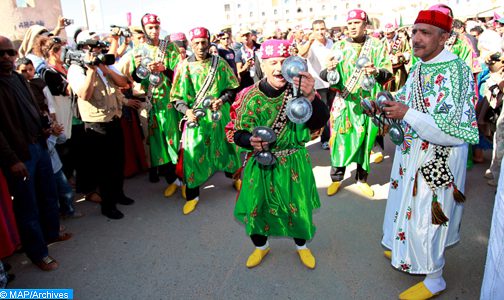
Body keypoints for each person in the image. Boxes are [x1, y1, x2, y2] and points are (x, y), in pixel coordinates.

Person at [380, 9, 479, 299]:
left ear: (444, 38)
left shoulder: (457, 70)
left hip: (439, 157)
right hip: (412, 152)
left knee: (430, 215)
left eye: (425, 32)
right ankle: (406, 248)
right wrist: (385, 102)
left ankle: (434, 277)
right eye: (414, 32)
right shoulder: (420, 65)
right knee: (406, 207)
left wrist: (406, 112)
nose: (416, 38)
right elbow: (410, 98)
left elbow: (452, 130)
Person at [232, 39, 329, 269]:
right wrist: (250, 140)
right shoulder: (248, 95)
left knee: (298, 207)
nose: (278, 68)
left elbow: (320, 120)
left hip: (295, 161)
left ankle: (302, 247)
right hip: (261, 163)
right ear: (262, 65)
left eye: (283, 62)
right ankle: (261, 247)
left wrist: (310, 96)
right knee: (258, 208)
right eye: (272, 62)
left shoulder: (300, 90)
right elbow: (236, 132)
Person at [0, 35, 72, 271]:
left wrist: (46, 125)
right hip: (20, 155)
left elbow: (34, 108)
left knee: (48, 193)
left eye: (10, 52)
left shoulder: (19, 79)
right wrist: (12, 159)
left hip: (40, 145)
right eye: (1, 53)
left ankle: (52, 233)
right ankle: (38, 253)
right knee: (27, 206)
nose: (6, 57)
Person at [320, 8, 392, 197]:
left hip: (368, 104)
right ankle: (336, 178)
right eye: (349, 23)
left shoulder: (376, 46)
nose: (352, 27)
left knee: (365, 141)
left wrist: (376, 71)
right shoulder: (339, 47)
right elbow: (326, 76)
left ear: (365, 25)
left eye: (356, 23)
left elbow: (388, 72)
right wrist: (329, 70)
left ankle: (362, 179)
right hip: (345, 103)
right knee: (339, 141)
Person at [170, 27, 241, 215]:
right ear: (191, 44)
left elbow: (232, 88)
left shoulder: (220, 63)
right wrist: (188, 111)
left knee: (228, 147)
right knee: (193, 154)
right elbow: (176, 98)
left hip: (219, 116)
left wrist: (222, 99)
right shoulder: (184, 66)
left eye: (203, 42)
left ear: (209, 42)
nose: (200, 47)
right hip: (197, 119)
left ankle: (235, 178)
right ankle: (193, 195)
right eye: (196, 43)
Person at [67, 31, 134, 220]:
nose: (99, 49)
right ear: (84, 49)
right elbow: (84, 94)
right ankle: (108, 205)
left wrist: (106, 70)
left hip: (114, 119)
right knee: (105, 167)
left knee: (118, 162)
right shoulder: (76, 69)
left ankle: (118, 194)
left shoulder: (105, 63)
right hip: (96, 125)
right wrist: (91, 70)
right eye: (94, 47)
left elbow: (124, 84)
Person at [130, 13, 182, 196]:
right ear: (144, 29)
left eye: (156, 27)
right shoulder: (138, 50)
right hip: (152, 104)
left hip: (170, 103)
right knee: (159, 143)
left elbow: (180, 73)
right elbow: (135, 77)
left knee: (174, 142)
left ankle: (183, 179)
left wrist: (164, 69)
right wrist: (142, 69)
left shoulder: (170, 48)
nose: (153, 31)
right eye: (150, 27)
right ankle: (171, 179)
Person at [298, 20, 334, 150]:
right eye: (317, 29)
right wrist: (309, 41)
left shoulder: (331, 43)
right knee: (325, 113)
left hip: (333, 82)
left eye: (322, 29)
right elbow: (301, 54)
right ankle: (324, 139)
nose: (320, 32)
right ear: (313, 31)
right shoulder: (311, 45)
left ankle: (334, 137)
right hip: (319, 83)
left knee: (334, 111)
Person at [383, 23, 411, 92]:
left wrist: (402, 55)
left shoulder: (402, 40)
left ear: (393, 33)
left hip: (399, 71)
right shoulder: (383, 42)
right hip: (388, 71)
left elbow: (409, 52)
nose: (386, 36)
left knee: (400, 92)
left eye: (388, 34)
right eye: (385, 34)